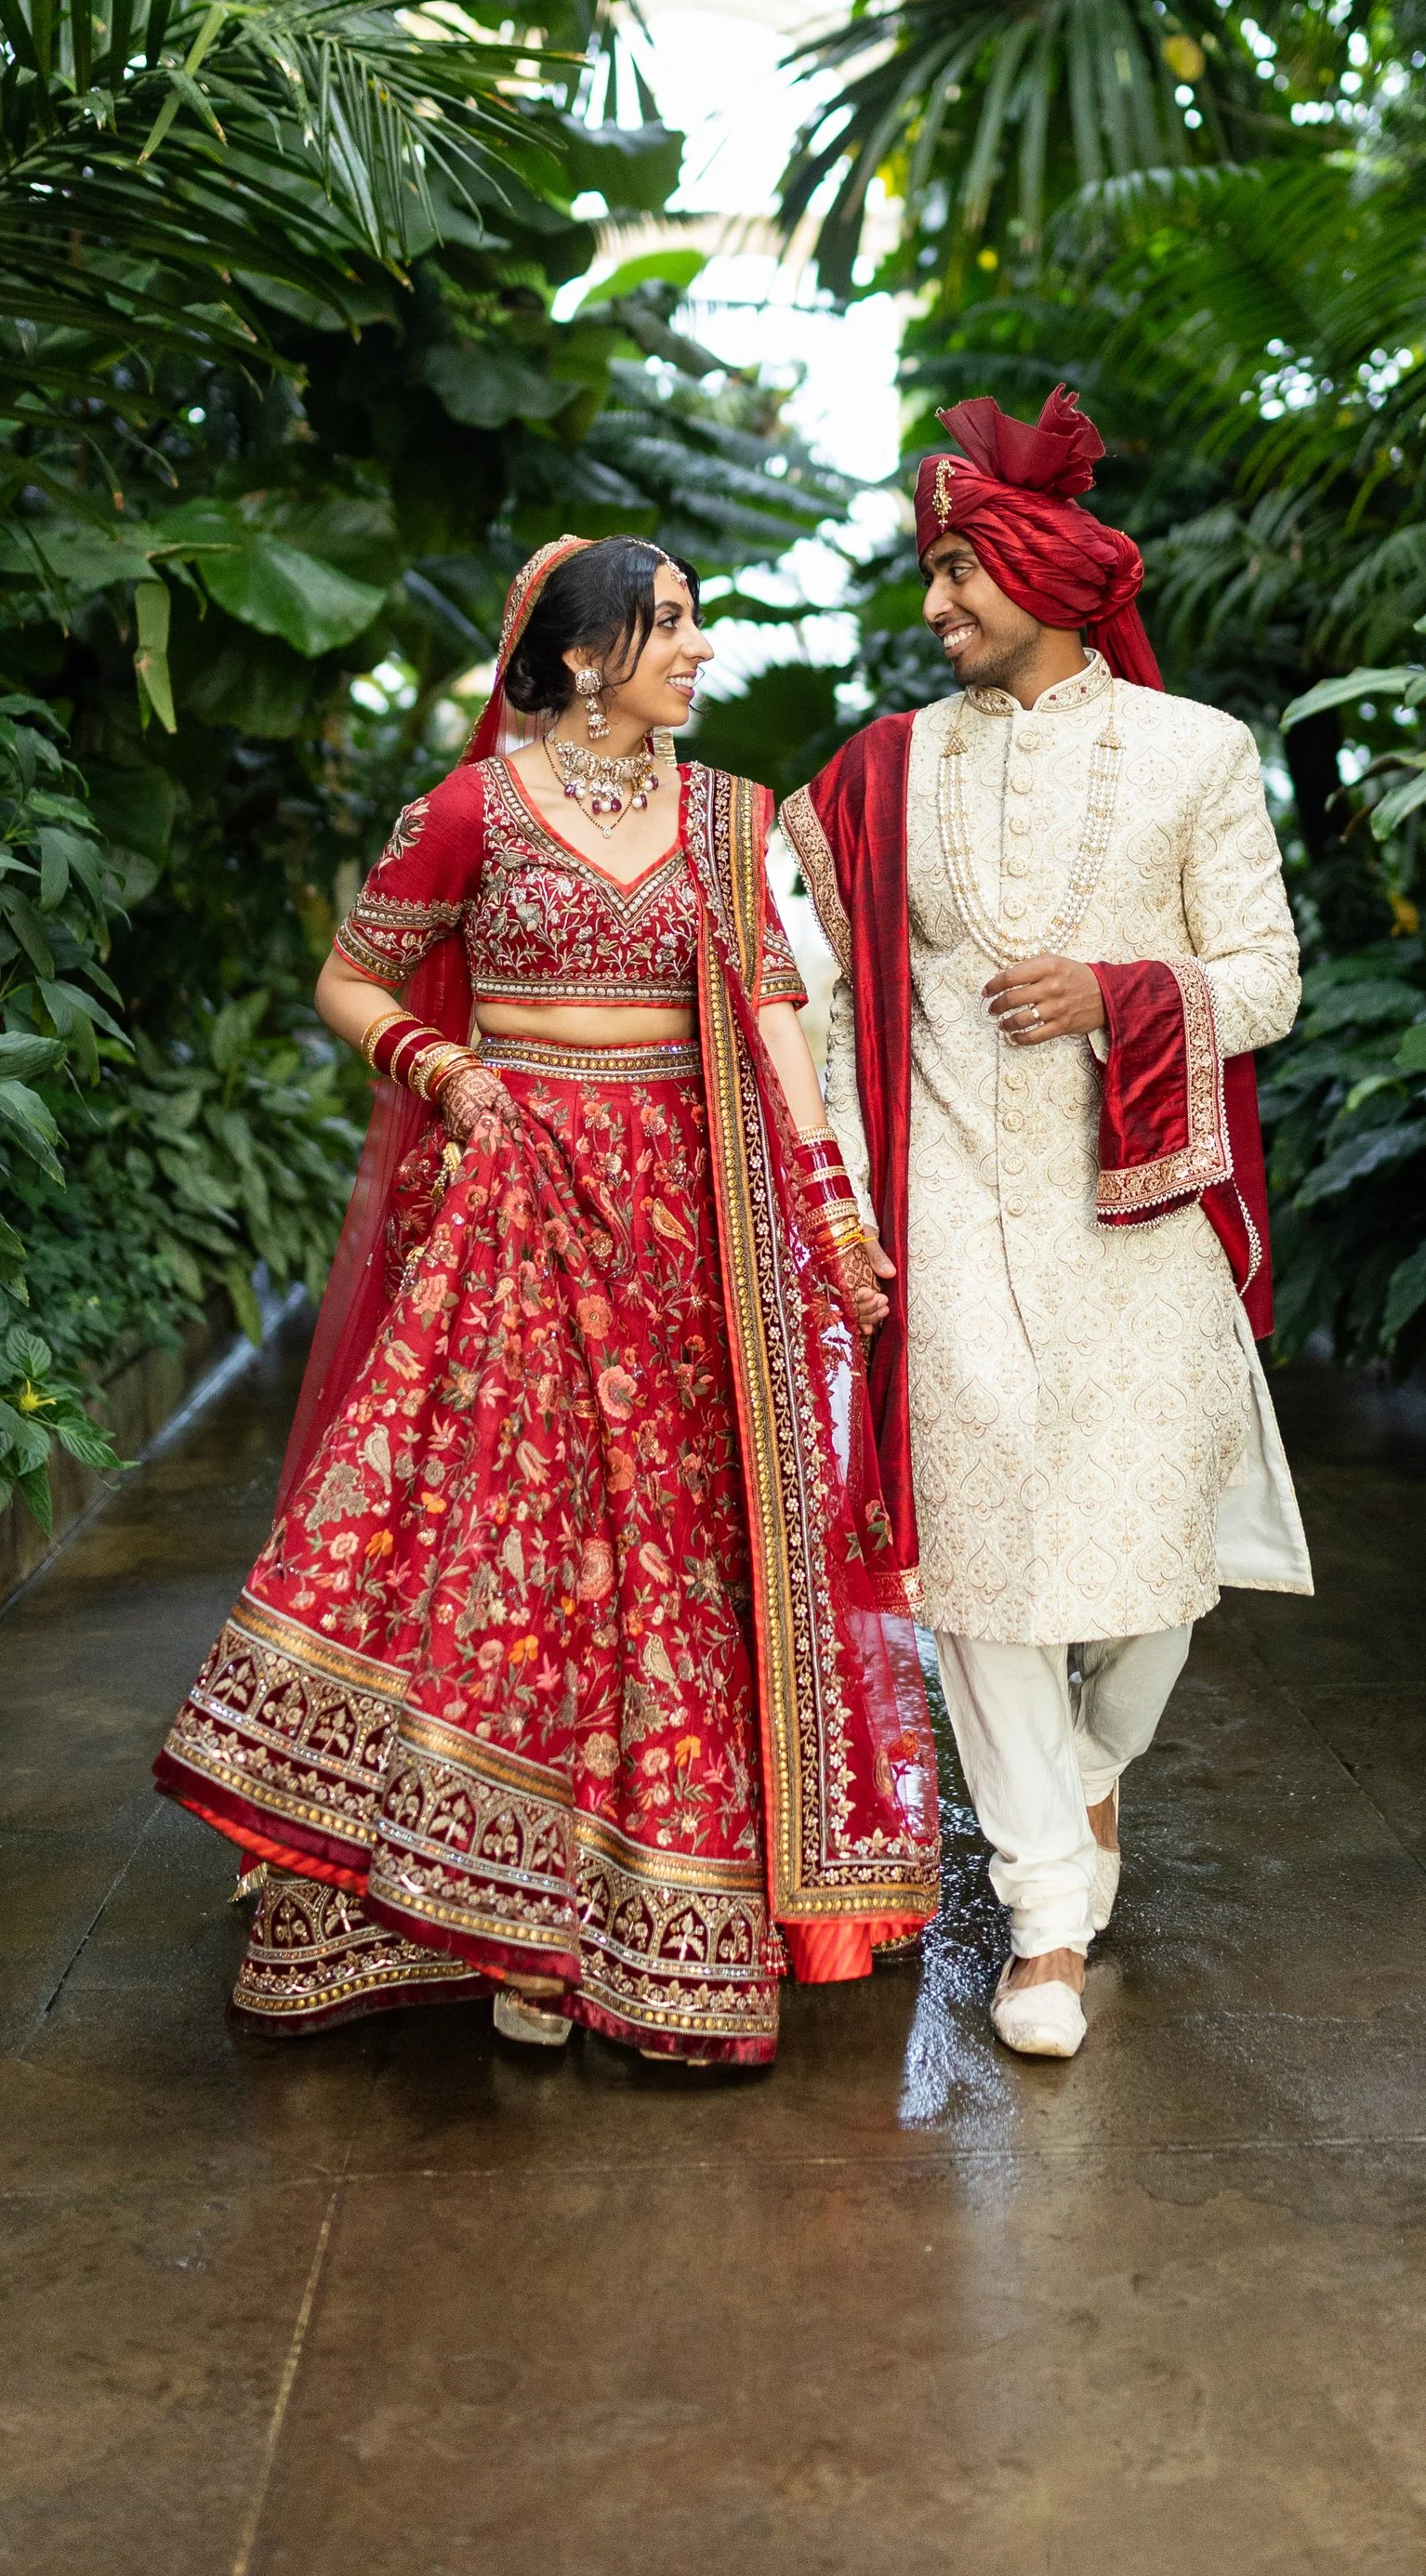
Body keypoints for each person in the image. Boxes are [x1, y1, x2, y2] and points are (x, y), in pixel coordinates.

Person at [155, 535, 939, 2066]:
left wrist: (827, 1201)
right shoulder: (473, 807)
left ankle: (641, 1933)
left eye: (698, 625)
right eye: (674, 628)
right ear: (586, 658)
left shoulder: (725, 818)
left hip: (685, 1216)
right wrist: (439, 1067)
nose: (700, 652)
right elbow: (353, 974)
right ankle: (490, 1909)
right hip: (511, 1204)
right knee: (498, 1545)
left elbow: (777, 1015)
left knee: (669, 1558)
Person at [781, 388, 1309, 2063]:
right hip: (945, 1215)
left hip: (1140, 1217)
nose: (933, 610)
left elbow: (1272, 983)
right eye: (931, 577)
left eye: (956, 575)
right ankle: (1043, 1922)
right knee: (980, 1569)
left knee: (1157, 1561)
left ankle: (1087, 1775)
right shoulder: (884, 770)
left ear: (1038, 572)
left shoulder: (1197, 755)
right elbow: (790, 951)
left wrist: (1119, 992)